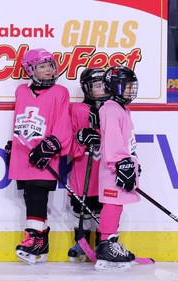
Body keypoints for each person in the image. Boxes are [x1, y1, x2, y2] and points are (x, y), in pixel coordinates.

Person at [5, 48, 72, 264]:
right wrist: (12, 144)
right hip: (24, 152)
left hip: (44, 152)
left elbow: (63, 121)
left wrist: (54, 143)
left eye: (50, 65)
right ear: (30, 69)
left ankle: (33, 238)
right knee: (30, 197)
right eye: (42, 66)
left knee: (37, 195)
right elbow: (20, 118)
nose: (48, 70)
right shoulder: (21, 92)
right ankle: (41, 241)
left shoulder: (60, 91)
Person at [95, 65, 140, 271]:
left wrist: (133, 162)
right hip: (114, 168)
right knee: (112, 203)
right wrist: (121, 163)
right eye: (127, 86)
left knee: (117, 204)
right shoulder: (110, 108)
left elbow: (125, 141)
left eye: (132, 86)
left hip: (121, 166)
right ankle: (106, 245)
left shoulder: (121, 108)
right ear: (115, 87)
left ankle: (110, 242)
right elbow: (112, 141)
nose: (131, 90)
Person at [67, 68, 109, 262]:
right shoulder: (77, 110)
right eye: (97, 85)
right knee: (81, 207)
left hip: (105, 171)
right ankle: (82, 241)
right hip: (82, 169)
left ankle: (103, 244)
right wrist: (81, 137)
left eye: (104, 84)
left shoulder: (113, 109)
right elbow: (69, 142)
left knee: (103, 208)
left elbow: (120, 138)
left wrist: (99, 133)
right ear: (87, 88)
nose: (102, 89)